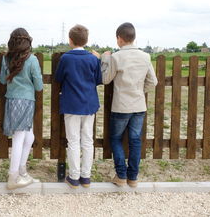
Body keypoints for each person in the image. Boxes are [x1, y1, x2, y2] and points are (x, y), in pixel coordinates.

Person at [93, 22, 157, 188]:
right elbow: (153, 81)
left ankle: (121, 175)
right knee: (135, 141)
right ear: (134, 38)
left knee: (115, 139)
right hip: (139, 106)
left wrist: (104, 59)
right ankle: (133, 177)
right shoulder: (145, 56)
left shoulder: (116, 57)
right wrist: (139, 91)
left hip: (121, 106)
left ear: (119, 39)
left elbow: (106, 79)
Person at [55, 24, 102, 188]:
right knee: (88, 141)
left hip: (71, 104)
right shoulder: (92, 59)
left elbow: (58, 77)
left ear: (70, 40)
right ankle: (86, 176)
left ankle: (74, 176)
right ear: (86, 40)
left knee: (73, 141)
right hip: (89, 104)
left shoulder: (66, 58)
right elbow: (98, 79)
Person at [0, 28, 43, 190]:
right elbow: (38, 85)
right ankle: (13, 176)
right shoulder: (32, 59)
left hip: (12, 100)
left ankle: (22, 171)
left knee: (29, 137)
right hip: (25, 101)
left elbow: (3, 81)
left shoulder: (6, 58)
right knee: (19, 138)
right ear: (27, 41)